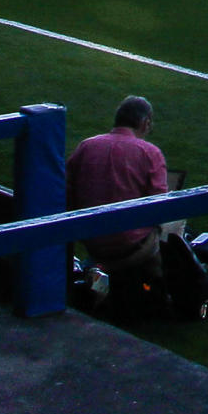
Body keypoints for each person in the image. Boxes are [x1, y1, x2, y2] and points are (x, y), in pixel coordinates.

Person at [64, 96, 173, 291]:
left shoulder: (87, 146)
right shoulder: (150, 152)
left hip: (91, 241)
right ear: (145, 122)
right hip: (129, 247)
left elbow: (67, 190)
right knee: (172, 225)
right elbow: (159, 208)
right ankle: (160, 287)